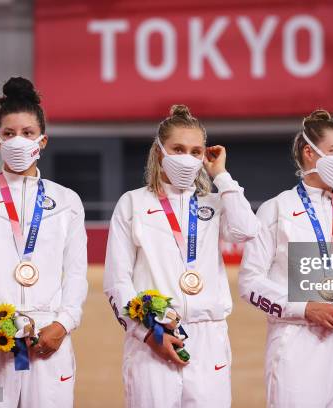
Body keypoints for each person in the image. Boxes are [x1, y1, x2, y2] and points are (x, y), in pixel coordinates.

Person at [0, 77, 88, 407]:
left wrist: (63, 324)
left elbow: (77, 273)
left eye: (27, 133)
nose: (18, 141)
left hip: (49, 341)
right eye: (9, 134)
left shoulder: (66, 200)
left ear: (43, 140)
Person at [103, 104, 258, 407]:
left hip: (209, 338)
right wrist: (146, 333)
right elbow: (116, 281)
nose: (187, 159)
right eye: (178, 149)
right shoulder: (132, 203)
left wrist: (222, 176)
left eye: (195, 151)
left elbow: (247, 230)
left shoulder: (213, 203)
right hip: (154, 337)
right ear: (159, 151)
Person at [238, 109, 333, 407]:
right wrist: (304, 308)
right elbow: (249, 283)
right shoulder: (275, 209)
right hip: (295, 342)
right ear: (310, 152)